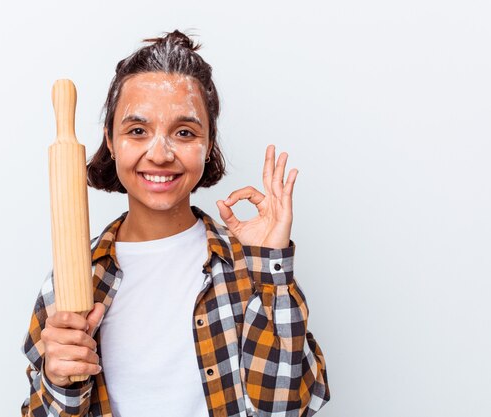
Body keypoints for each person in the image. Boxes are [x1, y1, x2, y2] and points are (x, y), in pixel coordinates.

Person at [21, 30, 330, 417]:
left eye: (184, 133)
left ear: (208, 144)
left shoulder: (249, 269)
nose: (161, 153)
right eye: (137, 131)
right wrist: (60, 383)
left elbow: (286, 409)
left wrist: (270, 266)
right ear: (111, 141)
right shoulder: (71, 280)